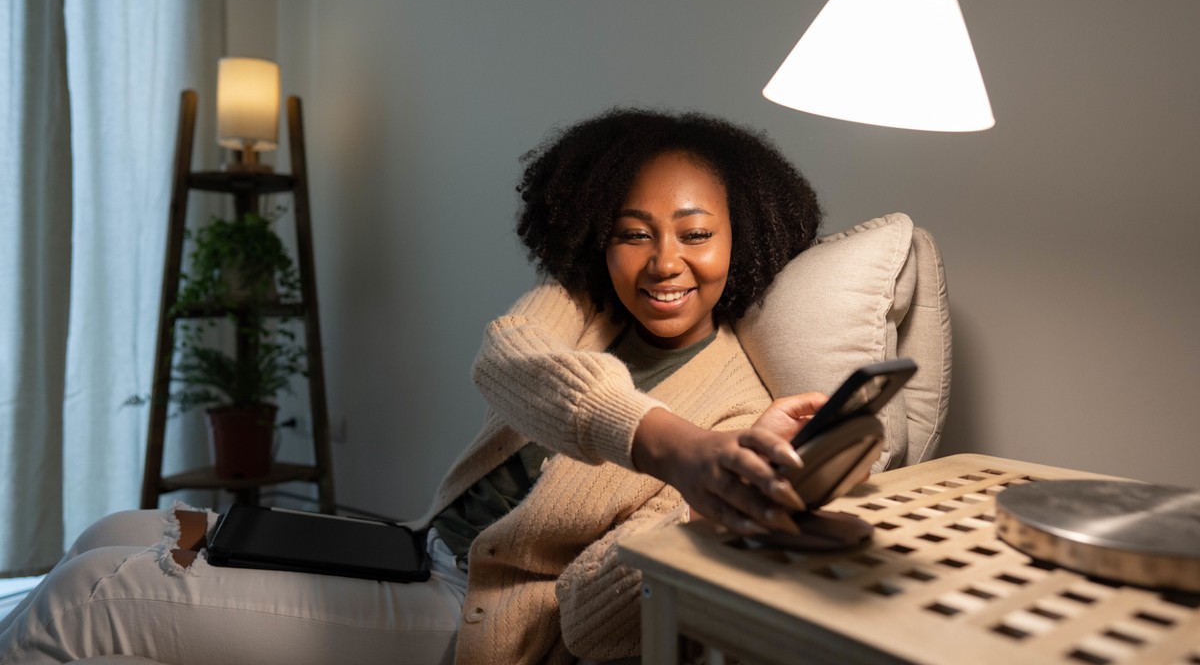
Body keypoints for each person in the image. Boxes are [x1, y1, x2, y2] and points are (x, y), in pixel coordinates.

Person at [0, 108, 826, 665]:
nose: (664, 263)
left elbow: (588, 622)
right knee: (108, 532)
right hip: (418, 548)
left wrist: (696, 511)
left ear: (743, 239)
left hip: (481, 621)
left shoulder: (735, 418)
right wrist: (666, 444)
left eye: (696, 234)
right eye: (633, 234)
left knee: (82, 600)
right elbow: (508, 361)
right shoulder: (586, 309)